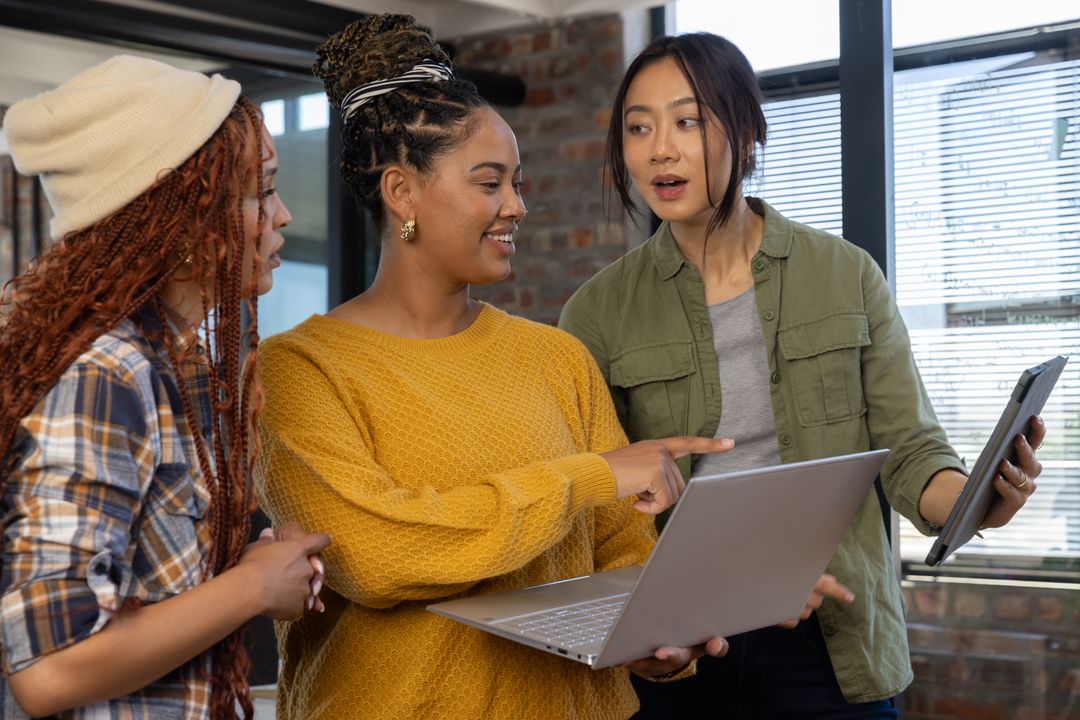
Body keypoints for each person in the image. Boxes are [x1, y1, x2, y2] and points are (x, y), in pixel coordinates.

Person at [251, 14, 856, 720]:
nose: (517, 205)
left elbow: (623, 548)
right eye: (489, 183)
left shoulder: (557, 357)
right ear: (402, 193)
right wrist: (593, 473)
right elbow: (380, 555)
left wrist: (659, 635)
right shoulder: (300, 370)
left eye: (516, 181)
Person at [559, 32, 1046, 719]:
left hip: (832, 641)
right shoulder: (596, 313)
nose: (659, 149)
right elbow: (595, 504)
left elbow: (911, 452)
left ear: (747, 133)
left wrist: (977, 505)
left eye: (687, 121)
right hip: (678, 650)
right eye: (639, 128)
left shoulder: (846, 275)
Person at [0, 56, 330, 719]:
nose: (284, 214)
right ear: (178, 218)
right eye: (261, 190)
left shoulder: (176, 364)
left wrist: (246, 566)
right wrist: (252, 586)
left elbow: (146, 588)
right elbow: (49, 669)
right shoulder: (106, 371)